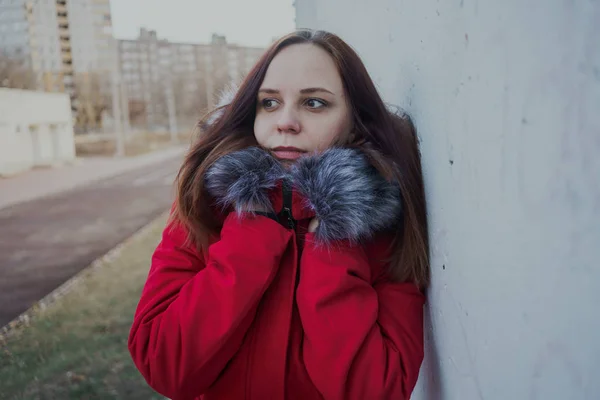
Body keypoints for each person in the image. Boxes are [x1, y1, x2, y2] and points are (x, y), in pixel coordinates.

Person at [128, 29, 430, 400]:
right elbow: (164, 365)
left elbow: (375, 390)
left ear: (355, 122)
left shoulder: (381, 227)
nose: (285, 121)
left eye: (314, 103)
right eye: (269, 103)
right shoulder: (207, 207)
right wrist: (250, 235)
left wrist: (333, 245)